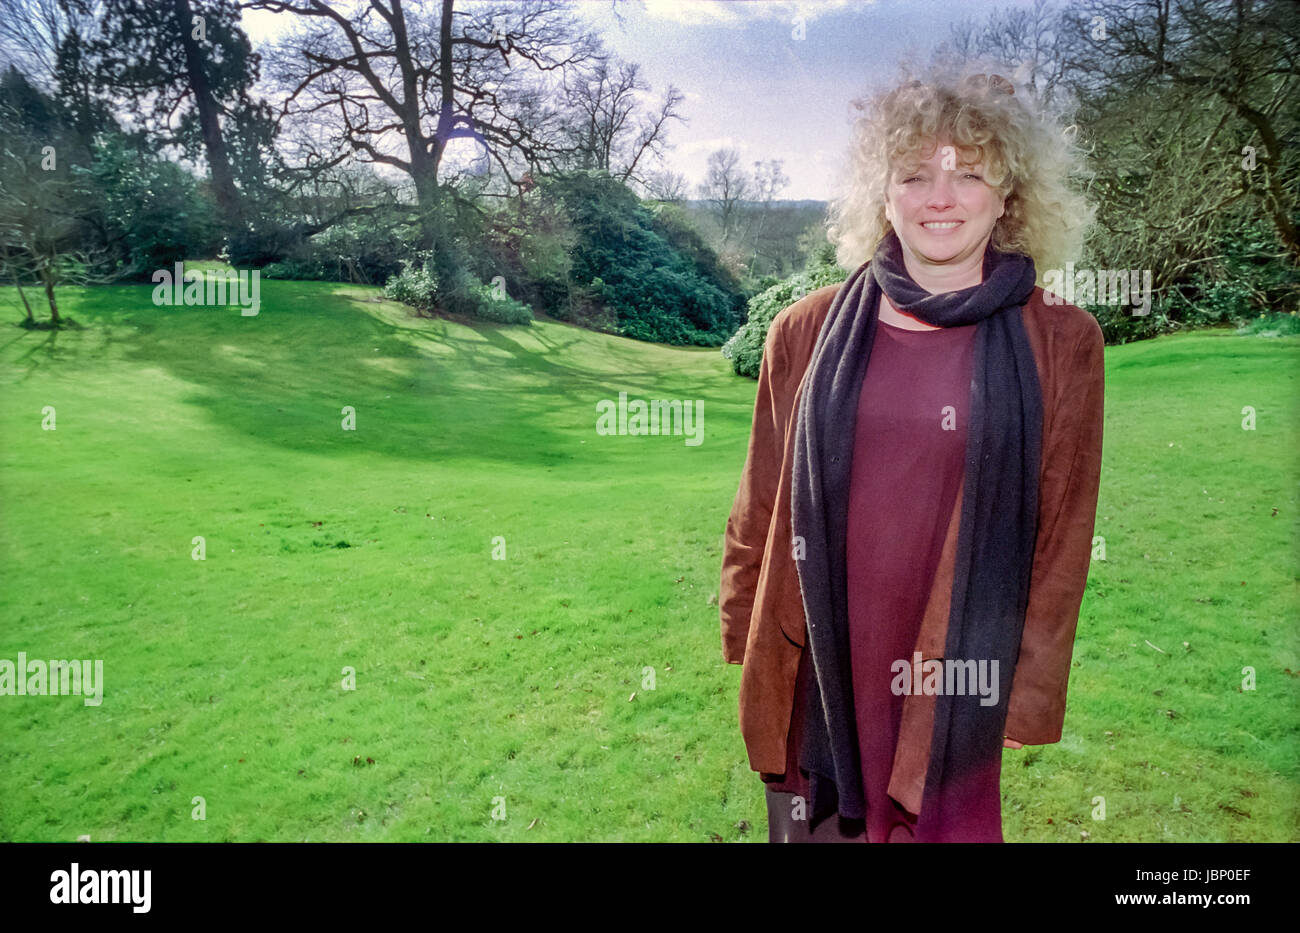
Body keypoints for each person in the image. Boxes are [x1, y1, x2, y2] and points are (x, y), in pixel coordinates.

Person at [718, 65, 1106, 843]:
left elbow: (1063, 537)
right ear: (881, 193)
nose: (940, 196)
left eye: (969, 175)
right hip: (822, 652)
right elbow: (762, 495)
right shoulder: (803, 330)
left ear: (1009, 195)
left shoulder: (1063, 342)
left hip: (957, 667)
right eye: (915, 173)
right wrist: (742, 619)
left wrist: (1026, 689)